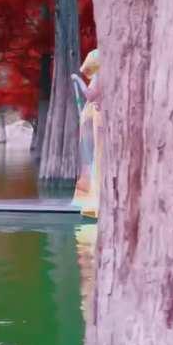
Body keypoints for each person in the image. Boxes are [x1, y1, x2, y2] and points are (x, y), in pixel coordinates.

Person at [71, 49, 102, 219]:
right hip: (96, 119)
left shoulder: (100, 75)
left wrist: (78, 80)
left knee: (96, 157)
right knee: (95, 158)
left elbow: (90, 96)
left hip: (98, 120)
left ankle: (95, 201)